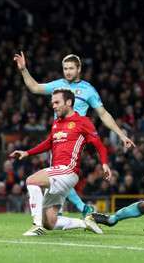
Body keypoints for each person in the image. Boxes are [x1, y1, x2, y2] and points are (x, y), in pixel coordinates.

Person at [14, 51, 134, 217]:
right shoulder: (59, 86)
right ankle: (78, 209)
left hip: (76, 136)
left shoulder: (88, 90)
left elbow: (103, 114)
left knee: (57, 174)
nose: (68, 71)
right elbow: (34, 88)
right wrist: (23, 70)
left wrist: (121, 135)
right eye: (65, 68)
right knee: (58, 176)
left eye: (71, 68)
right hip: (57, 136)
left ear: (79, 69)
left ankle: (66, 212)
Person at [10, 88, 110, 236]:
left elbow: (99, 145)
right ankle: (85, 223)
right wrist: (27, 152)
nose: (53, 106)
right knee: (50, 222)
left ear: (69, 102)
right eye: (52, 103)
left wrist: (104, 163)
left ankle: (36, 225)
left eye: (57, 102)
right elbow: (49, 142)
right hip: (58, 173)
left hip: (68, 169)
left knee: (32, 180)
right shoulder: (57, 122)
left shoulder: (83, 122)